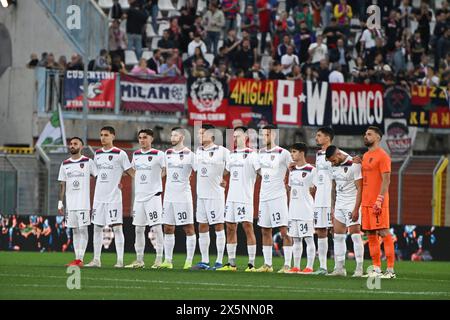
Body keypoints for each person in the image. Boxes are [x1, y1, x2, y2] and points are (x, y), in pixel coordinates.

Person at [85, 127, 134, 268]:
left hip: (114, 197)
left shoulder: (120, 154)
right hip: (99, 197)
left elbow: (130, 172)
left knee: (117, 228)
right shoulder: (98, 154)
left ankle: (119, 261)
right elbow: (99, 174)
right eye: (101, 135)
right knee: (97, 228)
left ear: (113, 136)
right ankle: (96, 260)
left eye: (106, 135)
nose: (103, 138)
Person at [216, 127, 260, 272]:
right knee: (230, 227)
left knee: (247, 227)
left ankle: (252, 264)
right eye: (233, 137)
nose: (235, 139)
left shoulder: (253, 155)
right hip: (231, 198)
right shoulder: (231, 155)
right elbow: (226, 171)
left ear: (246, 136)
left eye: (238, 136)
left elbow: (261, 172)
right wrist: (223, 179)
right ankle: (231, 263)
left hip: (245, 197)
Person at [125, 129, 165, 269]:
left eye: (145, 137)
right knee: (139, 229)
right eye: (140, 138)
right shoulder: (136, 155)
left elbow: (166, 169)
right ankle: (139, 260)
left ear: (151, 139)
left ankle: (159, 259)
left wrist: (156, 179)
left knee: (157, 228)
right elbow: (133, 171)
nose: (142, 140)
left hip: (153, 196)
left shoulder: (159, 154)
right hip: (139, 198)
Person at [192, 124, 230, 270]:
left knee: (218, 226)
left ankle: (219, 261)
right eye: (198, 134)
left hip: (216, 195)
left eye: (202, 133)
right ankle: (205, 260)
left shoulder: (222, 151)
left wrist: (224, 177)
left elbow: (232, 166)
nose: (199, 136)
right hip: (201, 195)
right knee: (202, 226)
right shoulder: (198, 151)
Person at [361, 126, 396, 279]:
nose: (365, 136)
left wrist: (380, 199)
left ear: (378, 137)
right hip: (366, 201)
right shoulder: (365, 156)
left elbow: (386, 180)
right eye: (365, 134)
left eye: (369, 134)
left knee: (383, 231)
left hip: (378, 201)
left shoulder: (383, 156)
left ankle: (390, 270)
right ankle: (376, 268)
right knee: (370, 234)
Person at [256, 125, 292, 273]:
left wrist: (289, 185)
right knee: (265, 230)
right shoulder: (260, 152)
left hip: (278, 197)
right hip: (264, 197)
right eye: (263, 135)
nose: (264, 137)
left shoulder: (284, 153)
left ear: (274, 135)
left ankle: (287, 265)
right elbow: (259, 172)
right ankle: (268, 265)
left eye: (267, 134)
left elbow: (293, 169)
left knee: (284, 230)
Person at [161, 127, 197, 270]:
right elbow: (163, 172)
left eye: (175, 135)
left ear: (182, 137)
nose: (172, 137)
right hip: (168, 196)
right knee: (168, 228)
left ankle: (188, 261)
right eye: (171, 135)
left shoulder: (190, 155)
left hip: (183, 196)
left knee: (188, 228)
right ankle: (168, 261)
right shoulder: (167, 153)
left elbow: (198, 171)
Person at [57, 137, 97, 267]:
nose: (72, 146)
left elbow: (98, 178)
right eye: (71, 144)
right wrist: (60, 202)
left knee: (83, 229)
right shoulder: (65, 164)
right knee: (74, 230)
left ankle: (80, 258)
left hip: (83, 203)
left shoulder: (88, 162)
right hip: (70, 205)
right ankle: (77, 258)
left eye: (75, 144)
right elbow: (62, 185)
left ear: (82, 146)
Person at [326, 145, 364, 277]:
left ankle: (359, 268)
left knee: (355, 235)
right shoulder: (333, 166)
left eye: (333, 160)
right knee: (338, 237)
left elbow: (360, 188)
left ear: (338, 154)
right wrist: (332, 207)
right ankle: (340, 268)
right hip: (339, 205)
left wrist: (356, 208)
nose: (332, 163)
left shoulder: (354, 164)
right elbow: (333, 188)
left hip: (351, 203)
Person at [286, 143, 316, 274]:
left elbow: (315, 188)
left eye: (294, 152)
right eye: (291, 152)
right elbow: (290, 189)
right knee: (296, 239)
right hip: (293, 210)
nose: (291, 154)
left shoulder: (311, 170)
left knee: (308, 238)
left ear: (302, 153)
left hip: (306, 210)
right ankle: (296, 266)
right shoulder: (292, 171)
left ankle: (309, 266)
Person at [312, 127, 334, 275]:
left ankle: (340, 266)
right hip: (319, 198)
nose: (316, 138)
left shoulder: (336, 153)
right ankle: (323, 266)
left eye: (319, 136)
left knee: (335, 231)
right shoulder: (319, 154)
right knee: (320, 230)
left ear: (327, 138)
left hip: (330, 198)